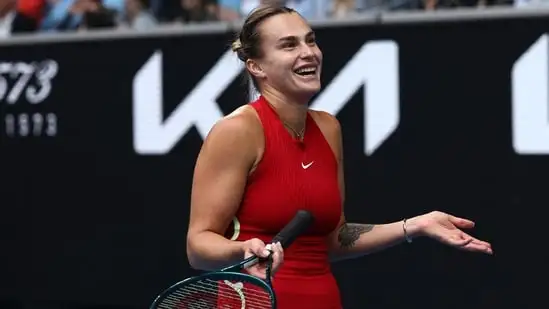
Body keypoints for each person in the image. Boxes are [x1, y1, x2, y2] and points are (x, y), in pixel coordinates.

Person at [186, 5, 493, 309]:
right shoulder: (236, 131)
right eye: (289, 45)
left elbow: (335, 238)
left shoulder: (328, 128)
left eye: (311, 40)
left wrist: (414, 226)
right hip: (254, 302)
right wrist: (242, 250)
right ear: (256, 67)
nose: (309, 52)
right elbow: (198, 247)